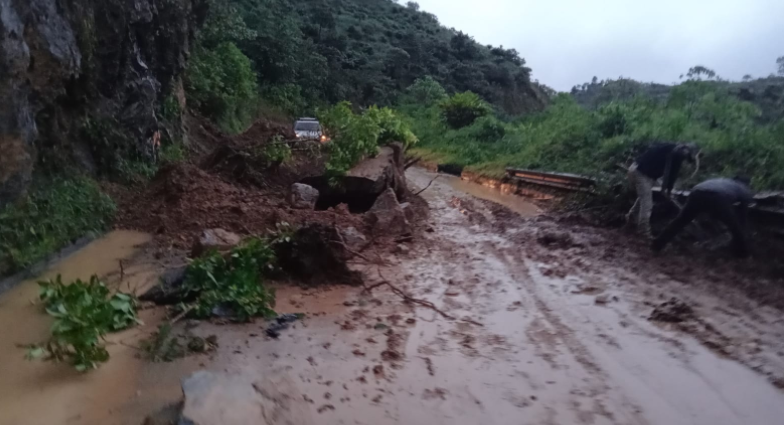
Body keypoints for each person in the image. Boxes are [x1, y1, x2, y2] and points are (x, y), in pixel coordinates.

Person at [652, 176, 753, 257]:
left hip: (697, 192)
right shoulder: (743, 188)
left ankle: (657, 244)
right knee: (735, 227)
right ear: (747, 184)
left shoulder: (722, 180)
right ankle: (741, 254)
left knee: (680, 221)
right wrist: (742, 229)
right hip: (718, 197)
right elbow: (743, 212)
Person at [626, 142, 700, 237]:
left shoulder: (678, 156)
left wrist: (669, 190)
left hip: (649, 175)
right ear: (684, 148)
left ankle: (632, 217)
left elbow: (673, 173)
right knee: (647, 202)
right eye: (686, 154)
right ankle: (643, 231)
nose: (685, 156)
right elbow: (653, 158)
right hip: (639, 171)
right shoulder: (666, 148)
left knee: (645, 195)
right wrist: (664, 188)